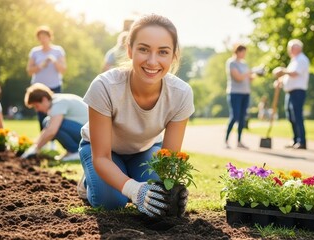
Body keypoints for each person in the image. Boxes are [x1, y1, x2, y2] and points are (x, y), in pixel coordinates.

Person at [77, 14, 195, 218]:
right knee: (112, 202)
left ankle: (126, 176)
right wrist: (134, 190)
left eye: (163, 52)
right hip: (104, 153)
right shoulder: (105, 86)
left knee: (160, 196)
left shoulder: (181, 93)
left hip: (145, 151)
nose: (152, 61)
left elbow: (169, 159)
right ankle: (89, 180)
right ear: (129, 49)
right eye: (143, 49)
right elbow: (102, 157)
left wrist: (173, 191)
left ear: (174, 55)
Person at [21, 83, 88, 161]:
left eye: (36, 106)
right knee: (47, 121)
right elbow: (47, 129)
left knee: (55, 125)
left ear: (44, 99)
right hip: (85, 131)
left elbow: (52, 131)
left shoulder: (58, 103)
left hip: (89, 134)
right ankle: (71, 151)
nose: (37, 110)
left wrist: (36, 149)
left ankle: (75, 151)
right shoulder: (56, 100)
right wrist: (34, 145)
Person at [26, 25, 67, 131]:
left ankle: (53, 138)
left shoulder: (58, 50)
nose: (43, 39)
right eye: (40, 37)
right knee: (40, 112)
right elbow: (29, 71)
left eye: (45, 36)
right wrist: (40, 66)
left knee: (55, 111)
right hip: (38, 87)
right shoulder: (35, 52)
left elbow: (63, 69)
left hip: (54, 86)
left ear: (50, 37)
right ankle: (43, 136)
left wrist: (54, 61)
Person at [273, 39, 310, 150]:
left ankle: (301, 141)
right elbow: (289, 75)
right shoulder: (294, 60)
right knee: (291, 117)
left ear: (297, 48)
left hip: (298, 91)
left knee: (297, 116)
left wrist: (282, 70)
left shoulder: (302, 59)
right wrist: (281, 81)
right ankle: (295, 139)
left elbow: (294, 74)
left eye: (291, 48)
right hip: (290, 92)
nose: (289, 50)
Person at [224, 44, 254, 149]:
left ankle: (239, 141)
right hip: (235, 93)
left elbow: (248, 78)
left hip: (245, 93)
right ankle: (226, 140)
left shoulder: (244, 64)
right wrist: (247, 73)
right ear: (237, 51)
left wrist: (252, 75)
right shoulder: (231, 63)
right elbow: (238, 78)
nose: (244, 54)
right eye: (243, 52)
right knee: (234, 116)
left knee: (242, 118)